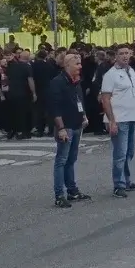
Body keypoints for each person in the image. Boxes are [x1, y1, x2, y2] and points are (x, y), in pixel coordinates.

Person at [100, 45, 135, 198]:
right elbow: (105, 99)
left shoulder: (131, 71)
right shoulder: (110, 75)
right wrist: (112, 120)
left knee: (129, 152)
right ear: (116, 56)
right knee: (120, 154)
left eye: (127, 53)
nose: (125, 56)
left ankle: (127, 181)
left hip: (132, 117)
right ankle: (118, 185)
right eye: (121, 54)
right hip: (119, 119)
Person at [49, 53, 92, 209]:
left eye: (80, 63)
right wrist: (60, 128)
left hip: (76, 124)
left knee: (71, 159)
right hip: (65, 126)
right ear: (67, 65)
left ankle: (72, 190)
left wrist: (84, 116)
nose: (80, 66)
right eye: (77, 64)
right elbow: (54, 107)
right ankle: (59, 195)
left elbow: (79, 100)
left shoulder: (76, 82)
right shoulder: (58, 82)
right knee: (61, 160)